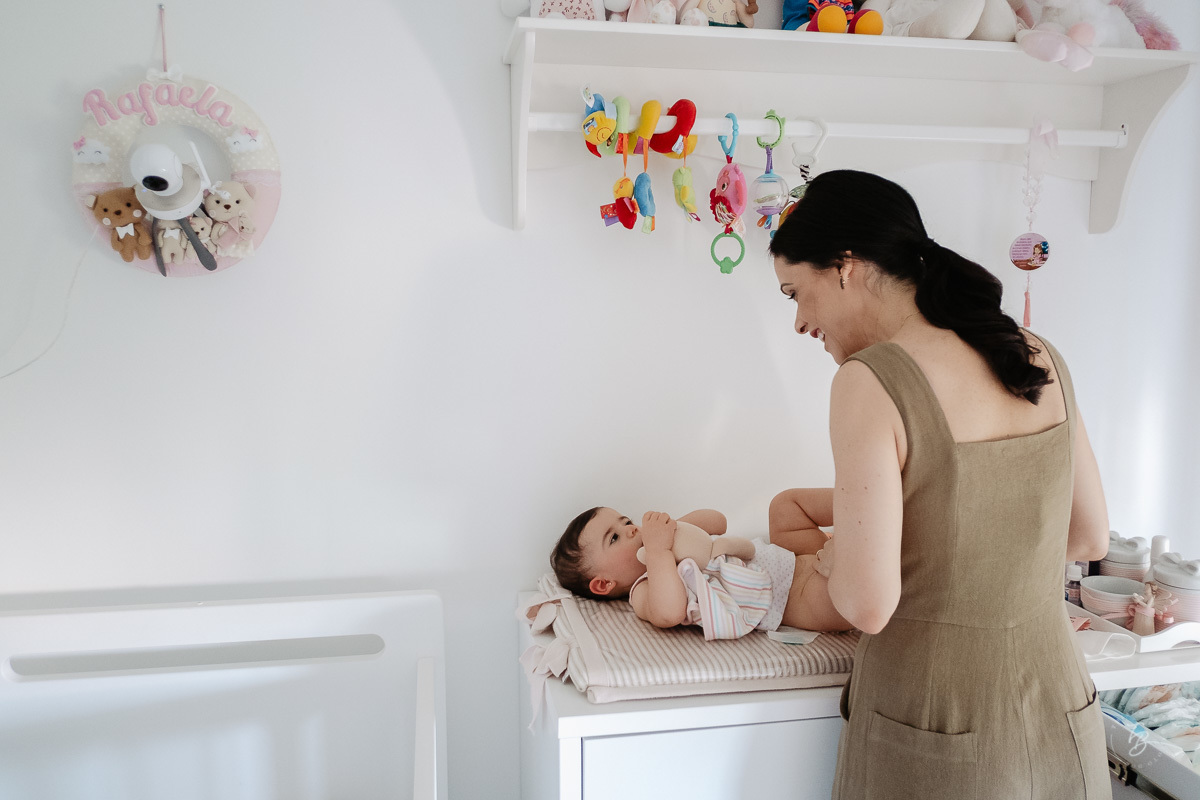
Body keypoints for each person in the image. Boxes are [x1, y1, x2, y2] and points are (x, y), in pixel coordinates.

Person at [768, 169, 1111, 799]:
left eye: (796, 293)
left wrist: (834, 553)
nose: (799, 322)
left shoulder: (870, 381)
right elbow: (1089, 535)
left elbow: (866, 605)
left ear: (845, 266)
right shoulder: (1036, 353)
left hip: (935, 726)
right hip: (1063, 715)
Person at [549, 493, 853, 635]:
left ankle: (866, 501)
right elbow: (669, 613)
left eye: (626, 520)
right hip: (796, 600)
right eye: (614, 538)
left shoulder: (668, 540)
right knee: (846, 577)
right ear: (604, 583)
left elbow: (716, 521)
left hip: (790, 557)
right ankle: (864, 553)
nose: (630, 529)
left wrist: (672, 529)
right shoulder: (643, 591)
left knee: (785, 506)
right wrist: (657, 552)